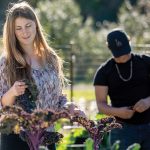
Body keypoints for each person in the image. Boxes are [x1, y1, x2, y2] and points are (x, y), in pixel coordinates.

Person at [0, 1, 84, 150]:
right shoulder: (6, 62)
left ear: (36, 25)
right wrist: (13, 91)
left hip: (47, 135)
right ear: (12, 32)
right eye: (18, 28)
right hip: (17, 139)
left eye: (28, 26)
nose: (24, 32)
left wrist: (68, 107)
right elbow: (3, 105)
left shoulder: (50, 57)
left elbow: (57, 98)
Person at [93, 28, 150, 150]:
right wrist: (119, 112)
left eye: (125, 51)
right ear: (110, 49)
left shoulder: (146, 62)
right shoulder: (104, 72)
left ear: (129, 43)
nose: (123, 56)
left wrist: (148, 101)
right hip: (122, 130)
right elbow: (101, 105)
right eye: (118, 53)